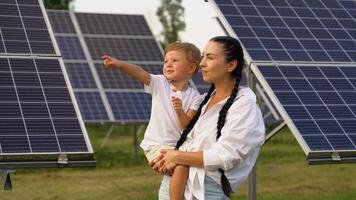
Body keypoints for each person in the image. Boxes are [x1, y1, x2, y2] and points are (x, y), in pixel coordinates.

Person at [151, 36, 265, 199]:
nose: (202, 63)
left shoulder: (244, 105)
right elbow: (188, 142)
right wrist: (165, 160)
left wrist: (177, 156)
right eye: (203, 56)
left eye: (209, 57)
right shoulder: (203, 100)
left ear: (231, 65)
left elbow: (227, 154)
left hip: (206, 190)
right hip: (171, 185)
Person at [102, 42, 203, 200]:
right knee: (182, 166)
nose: (168, 64)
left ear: (191, 68)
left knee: (185, 170)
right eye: (165, 61)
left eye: (175, 61)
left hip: (175, 148)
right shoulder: (160, 83)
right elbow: (139, 72)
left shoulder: (195, 97)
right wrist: (120, 65)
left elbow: (186, 124)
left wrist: (179, 110)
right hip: (156, 145)